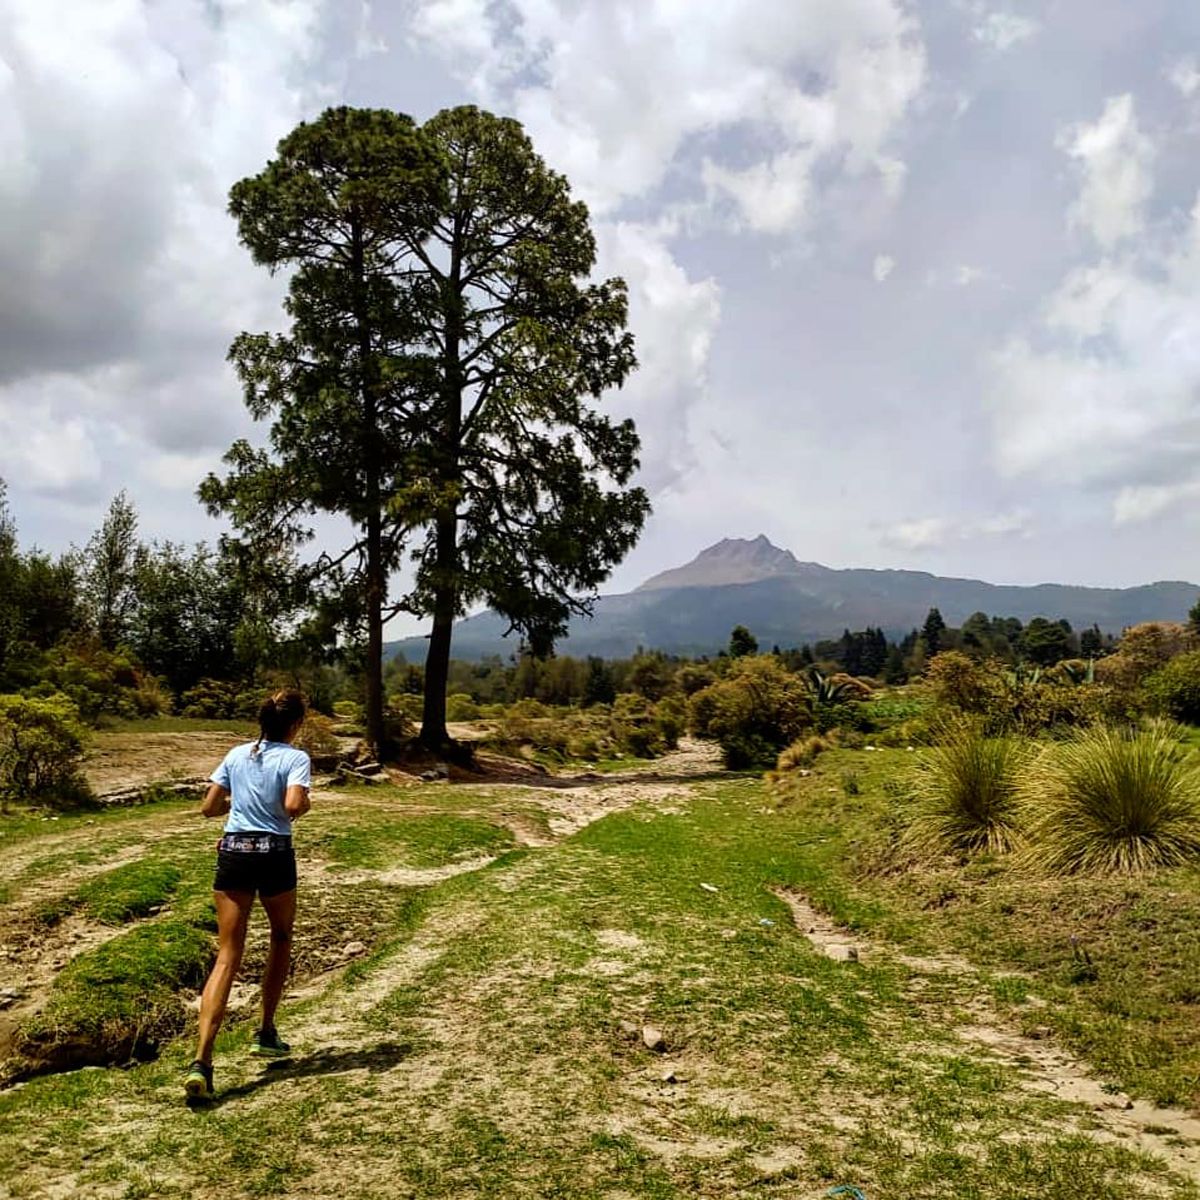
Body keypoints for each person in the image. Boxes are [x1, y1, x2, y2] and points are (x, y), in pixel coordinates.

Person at [184, 689, 312, 1101]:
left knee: (227, 955)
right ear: (295, 725)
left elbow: (209, 807)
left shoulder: (237, 754)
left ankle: (202, 1061)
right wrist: (300, 803)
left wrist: (240, 804)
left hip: (233, 852)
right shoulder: (295, 758)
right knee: (281, 937)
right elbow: (293, 805)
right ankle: (266, 1031)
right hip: (273, 853)